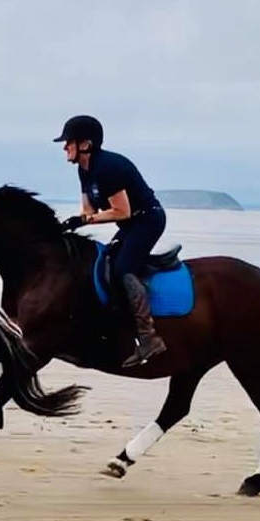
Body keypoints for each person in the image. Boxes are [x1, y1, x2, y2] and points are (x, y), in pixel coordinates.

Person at [55, 114, 167, 367]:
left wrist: (85, 221)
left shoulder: (108, 167)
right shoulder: (84, 170)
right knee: (103, 262)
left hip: (147, 220)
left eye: (68, 142)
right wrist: (72, 223)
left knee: (123, 268)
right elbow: (88, 211)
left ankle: (149, 338)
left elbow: (122, 211)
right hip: (130, 223)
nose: (64, 147)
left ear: (85, 144)